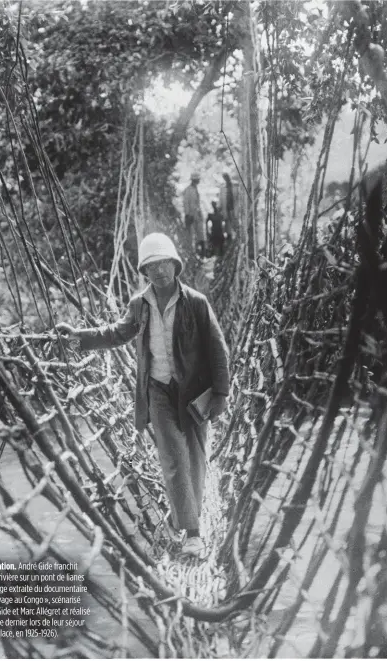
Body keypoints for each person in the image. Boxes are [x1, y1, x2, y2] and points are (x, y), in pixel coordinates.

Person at [56, 233, 229, 558]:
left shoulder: (196, 302)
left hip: (193, 392)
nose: (159, 270)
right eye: (152, 266)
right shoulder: (140, 305)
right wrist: (77, 338)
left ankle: (194, 519)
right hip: (159, 392)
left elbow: (217, 349)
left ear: (174, 265)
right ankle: (192, 534)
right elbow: (117, 333)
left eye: (164, 263)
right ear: (145, 272)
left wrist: (221, 392)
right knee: (174, 458)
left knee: (194, 458)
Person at [182, 171, 205, 257]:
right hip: (191, 216)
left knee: (200, 235)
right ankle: (192, 254)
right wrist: (188, 215)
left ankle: (202, 254)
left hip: (197, 215)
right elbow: (186, 203)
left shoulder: (195, 189)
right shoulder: (188, 190)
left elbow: (197, 204)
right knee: (191, 236)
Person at [219, 172, 236, 242]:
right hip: (227, 209)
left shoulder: (235, 186)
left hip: (234, 208)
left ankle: (235, 238)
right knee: (228, 226)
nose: (226, 179)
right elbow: (221, 200)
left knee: (235, 224)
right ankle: (229, 240)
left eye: (227, 177)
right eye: (224, 177)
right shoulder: (222, 188)